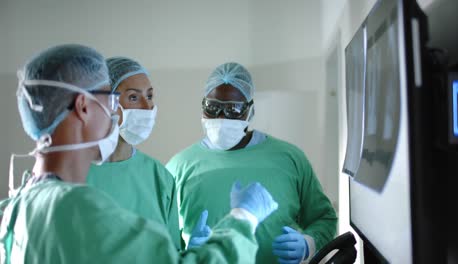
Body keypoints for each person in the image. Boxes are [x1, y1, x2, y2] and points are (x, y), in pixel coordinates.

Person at [0, 45, 278, 264]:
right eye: (111, 99)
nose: (114, 112)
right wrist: (243, 217)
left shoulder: (16, 206)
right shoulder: (76, 208)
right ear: (84, 107)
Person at [167, 62, 338, 264]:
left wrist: (308, 244)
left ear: (250, 111)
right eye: (212, 108)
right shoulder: (178, 167)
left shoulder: (289, 158)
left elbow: (324, 218)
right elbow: (158, 244)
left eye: (234, 109)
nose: (221, 117)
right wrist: (182, 254)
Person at [86, 57, 184, 249]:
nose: (148, 108)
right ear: (106, 103)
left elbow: (171, 252)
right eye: (133, 97)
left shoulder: (159, 177)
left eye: (149, 96)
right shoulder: (75, 173)